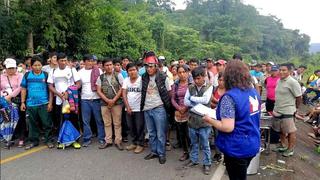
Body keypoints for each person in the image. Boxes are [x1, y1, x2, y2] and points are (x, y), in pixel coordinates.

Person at [203, 60, 261, 180]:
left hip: (237, 147)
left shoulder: (229, 97)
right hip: (252, 143)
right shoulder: (253, 92)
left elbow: (227, 127)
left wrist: (209, 120)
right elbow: (244, 111)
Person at [141, 51, 172, 164]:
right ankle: (154, 151)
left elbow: (169, 93)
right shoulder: (143, 77)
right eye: (146, 66)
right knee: (151, 133)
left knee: (160, 133)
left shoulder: (164, 77)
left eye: (151, 66)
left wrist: (168, 107)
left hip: (159, 108)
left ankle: (161, 153)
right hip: (147, 108)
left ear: (156, 66)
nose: (148, 69)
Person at [47, 53, 81, 149]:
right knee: (60, 121)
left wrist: (68, 92)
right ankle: (61, 141)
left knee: (73, 120)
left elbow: (78, 84)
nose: (63, 62)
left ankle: (75, 140)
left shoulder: (71, 70)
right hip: (59, 100)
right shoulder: (53, 71)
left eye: (65, 60)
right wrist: (59, 94)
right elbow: (50, 86)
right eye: (61, 60)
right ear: (57, 61)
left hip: (71, 101)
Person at [20, 56, 54, 150]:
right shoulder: (27, 75)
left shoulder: (46, 75)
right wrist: (22, 102)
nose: (37, 67)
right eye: (35, 65)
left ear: (42, 65)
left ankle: (48, 140)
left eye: (39, 65)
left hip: (44, 103)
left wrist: (50, 103)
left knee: (47, 123)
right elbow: (23, 89)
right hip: (30, 104)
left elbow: (50, 90)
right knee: (32, 124)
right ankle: (33, 141)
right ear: (31, 66)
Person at [184, 66, 213, 175]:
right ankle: (193, 160)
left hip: (204, 121)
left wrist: (191, 98)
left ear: (204, 77)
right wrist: (196, 101)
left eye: (199, 78)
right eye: (195, 78)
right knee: (193, 143)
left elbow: (205, 100)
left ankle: (207, 163)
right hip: (192, 120)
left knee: (205, 144)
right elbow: (185, 102)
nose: (196, 81)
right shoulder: (190, 87)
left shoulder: (209, 87)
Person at [272, 63, 302, 157]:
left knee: (290, 131)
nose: (281, 72)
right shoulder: (279, 81)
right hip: (278, 109)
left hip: (288, 111)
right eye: (280, 70)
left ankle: (290, 149)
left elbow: (298, 97)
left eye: (284, 70)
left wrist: (295, 108)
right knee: (281, 130)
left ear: (290, 71)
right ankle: (283, 145)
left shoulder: (293, 82)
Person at [78, 54, 106, 148]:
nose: (91, 63)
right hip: (85, 99)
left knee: (99, 120)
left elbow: (103, 83)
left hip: (96, 99)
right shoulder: (80, 72)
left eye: (92, 61)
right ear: (84, 61)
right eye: (89, 61)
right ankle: (87, 139)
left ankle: (102, 138)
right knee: (86, 121)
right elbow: (77, 85)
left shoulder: (98, 70)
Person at [96, 58, 124, 150]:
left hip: (117, 103)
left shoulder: (118, 75)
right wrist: (108, 100)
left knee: (117, 123)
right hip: (104, 104)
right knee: (106, 123)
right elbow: (98, 91)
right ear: (103, 67)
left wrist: (114, 100)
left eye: (110, 65)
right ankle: (108, 141)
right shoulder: (100, 77)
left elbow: (122, 88)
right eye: (107, 65)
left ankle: (118, 141)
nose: (109, 67)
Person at [0, 58, 24, 148]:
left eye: (13, 68)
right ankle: (10, 138)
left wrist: (10, 96)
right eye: (9, 68)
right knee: (7, 119)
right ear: (5, 68)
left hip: (17, 99)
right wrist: (3, 97)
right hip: (4, 101)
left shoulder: (20, 75)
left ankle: (21, 137)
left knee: (20, 118)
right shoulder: (1, 76)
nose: (11, 70)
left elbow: (20, 87)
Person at [122, 63, 144, 154]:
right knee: (131, 127)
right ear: (127, 72)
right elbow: (124, 93)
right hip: (129, 108)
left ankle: (140, 144)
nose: (132, 72)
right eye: (130, 70)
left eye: (134, 70)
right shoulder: (126, 80)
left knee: (140, 127)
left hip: (139, 108)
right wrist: (127, 107)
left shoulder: (142, 80)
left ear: (137, 70)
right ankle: (134, 143)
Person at [171, 65, 191, 161]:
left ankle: (193, 153)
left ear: (187, 73)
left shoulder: (191, 84)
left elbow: (192, 98)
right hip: (179, 112)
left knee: (190, 134)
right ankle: (185, 152)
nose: (182, 74)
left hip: (190, 112)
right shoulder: (176, 85)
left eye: (184, 72)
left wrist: (185, 108)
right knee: (182, 133)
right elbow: (173, 99)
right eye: (180, 72)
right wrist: (179, 108)